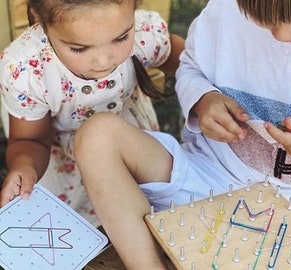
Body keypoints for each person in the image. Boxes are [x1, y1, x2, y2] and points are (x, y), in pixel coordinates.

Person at [70, 0, 291, 268]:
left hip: (281, 212)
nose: (282, 33)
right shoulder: (223, 11)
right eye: (264, 19)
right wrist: (203, 99)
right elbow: (189, 66)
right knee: (97, 136)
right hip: (199, 175)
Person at [0, 0, 184, 229]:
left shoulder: (142, 34)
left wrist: (206, 94)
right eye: (79, 48)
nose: (104, 61)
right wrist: (25, 166)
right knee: (81, 231)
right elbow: (30, 139)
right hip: (62, 165)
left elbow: (184, 62)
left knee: (142, 217)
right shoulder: (27, 71)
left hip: (129, 143)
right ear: (40, 18)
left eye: (120, 38)